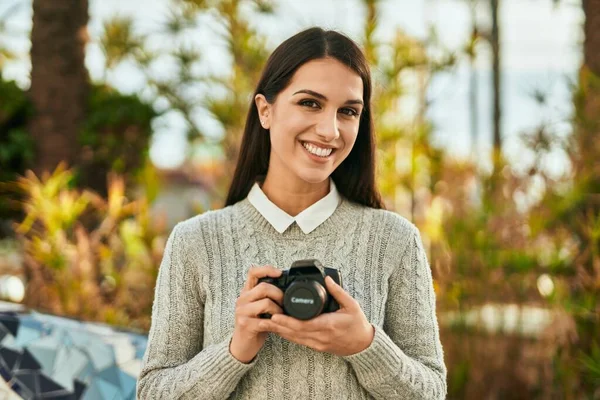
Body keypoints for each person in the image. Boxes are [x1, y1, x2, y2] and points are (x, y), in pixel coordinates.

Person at [137, 27, 447, 399]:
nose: (330, 130)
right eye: (310, 103)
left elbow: (431, 392)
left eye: (348, 111)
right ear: (265, 110)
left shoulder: (395, 240)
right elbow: (152, 392)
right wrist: (235, 350)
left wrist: (364, 345)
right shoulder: (195, 242)